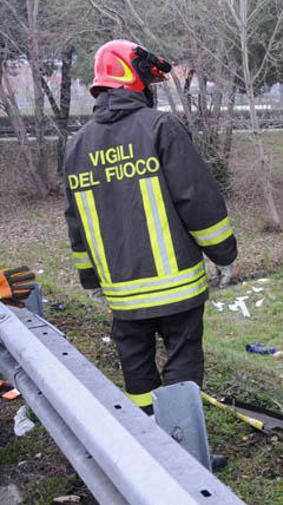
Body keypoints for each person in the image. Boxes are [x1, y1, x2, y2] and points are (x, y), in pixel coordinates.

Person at [63, 39, 237, 417]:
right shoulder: (160, 127)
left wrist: (90, 280)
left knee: (136, 369)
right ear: (132, 78)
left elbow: (76, 224)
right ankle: (181, 445)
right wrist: (224, 255)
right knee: (183, 360)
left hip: (122, 296)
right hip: (177, 288)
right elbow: (197, 199)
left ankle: (146, 446)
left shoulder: (77, 147)